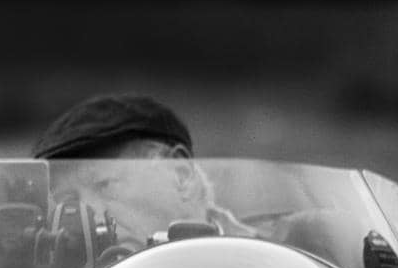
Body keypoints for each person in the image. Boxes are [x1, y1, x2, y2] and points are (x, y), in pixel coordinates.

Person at [31, 93, 253, 244]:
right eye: (69, 200)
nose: (91, 217)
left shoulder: (275, 263)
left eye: (104, 186)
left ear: (180, 174)